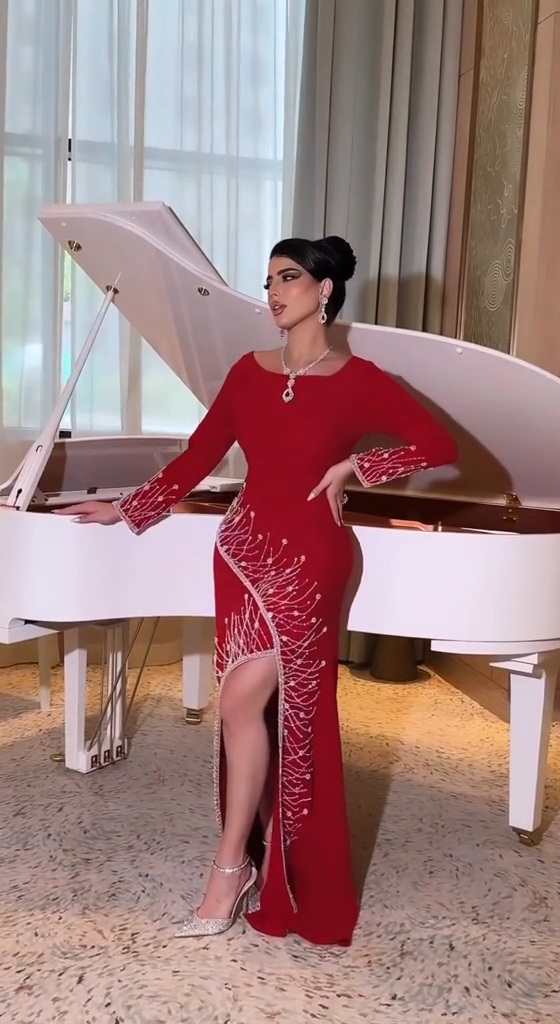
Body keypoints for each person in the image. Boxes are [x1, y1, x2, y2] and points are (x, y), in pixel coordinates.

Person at [51, 234, 457, 947]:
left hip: (311, 561)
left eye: (289, 278)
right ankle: (247, 861)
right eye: (268, 280)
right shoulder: (248, 371)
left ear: (324, 290)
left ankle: (232, 865)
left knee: (250, 703)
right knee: (242, 709)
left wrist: (357, 469)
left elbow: (438, 444)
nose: (273, 293)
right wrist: (126, 507)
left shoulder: (360, 378)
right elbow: (197, 457)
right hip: (240, 554)